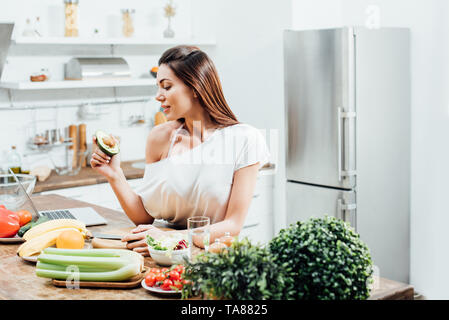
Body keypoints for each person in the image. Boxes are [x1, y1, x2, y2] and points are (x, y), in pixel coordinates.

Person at [90, 45, 270, 256]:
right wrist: (115, 175)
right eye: (157, 87)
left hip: (212, 262)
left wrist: (170, 239)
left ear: (195, 87)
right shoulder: (160, 137)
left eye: (167, 87)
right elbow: (145, 216)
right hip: (161, 257)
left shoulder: (244, 139)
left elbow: (233, 225)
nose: (158, 96)